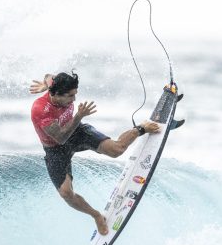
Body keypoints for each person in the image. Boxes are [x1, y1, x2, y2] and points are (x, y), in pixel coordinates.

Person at [29, 71, 159, 235]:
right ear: (55, 94)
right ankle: (96, 215)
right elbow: (60, 138)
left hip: (76, 132)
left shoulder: (53, 84)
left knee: (116, 150)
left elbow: (48, 76)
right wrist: (78, 116)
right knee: (66, 193)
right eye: (70, 96)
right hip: (55, 147)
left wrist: (45, 84)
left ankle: (141, 128)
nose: (74, 100)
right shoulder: (40, 110)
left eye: (75, 94)